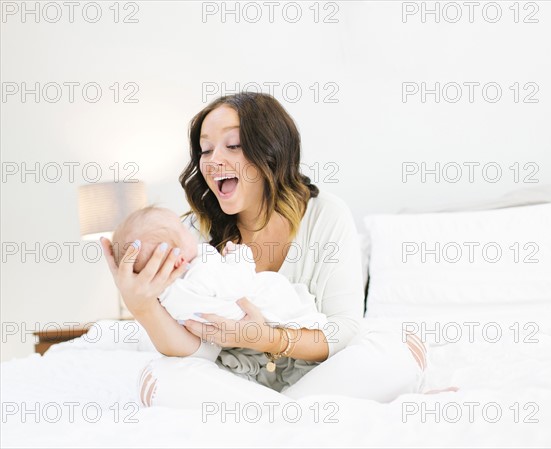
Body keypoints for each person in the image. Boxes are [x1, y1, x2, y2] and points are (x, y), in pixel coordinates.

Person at [101, 92, 427, 407]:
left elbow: (342, 330)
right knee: (161, 376)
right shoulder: (185, 236)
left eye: (233, 145)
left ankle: (265, 416)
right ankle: (290, 414)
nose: (214, 161)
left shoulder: (325, 214)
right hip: (232, 382)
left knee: (394, 350)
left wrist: (264, 337)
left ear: (271, 151)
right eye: (205, 150)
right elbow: (195, 350)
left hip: (317, 376)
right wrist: (142, 307)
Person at [110, 205, 328, 369]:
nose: (191, 233)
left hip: (257, 335)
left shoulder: (168, 297)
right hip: (258, 306)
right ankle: (308, 319)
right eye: (183, 231)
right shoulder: (200, 269)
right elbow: (238, 285)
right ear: (177, 260)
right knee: (276, 290)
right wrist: (241, 257)